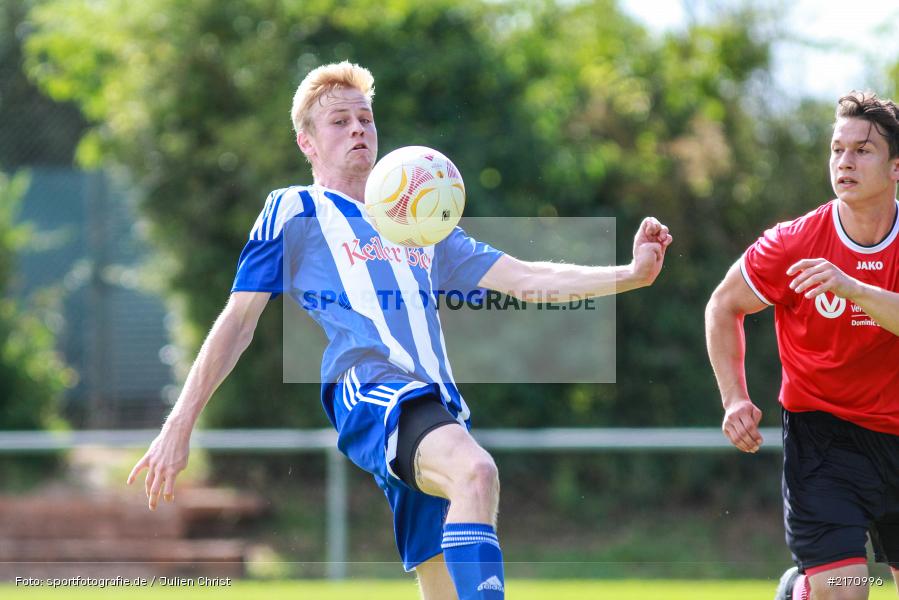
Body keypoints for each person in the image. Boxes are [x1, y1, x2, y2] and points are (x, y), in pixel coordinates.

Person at [127, 61, 673, 600]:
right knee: (476, 472)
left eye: (365, 119)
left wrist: (631, 274)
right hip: (370, 389)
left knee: (445, 581)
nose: (358, 129)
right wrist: (180, 423)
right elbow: (239, 320)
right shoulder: (296, 207)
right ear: (307, 143)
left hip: (436, 404)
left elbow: (526, 277)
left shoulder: (420, 221)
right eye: (339, 122)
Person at [705, 91, 899, 600]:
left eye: (863, 150)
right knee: (850, 590)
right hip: (825, 439)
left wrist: (852, 287)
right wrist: (734, 397)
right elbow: (723, 306)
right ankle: (812, 588)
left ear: (896, 168)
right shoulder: (794, 241)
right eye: (837, 150)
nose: (845, 162)